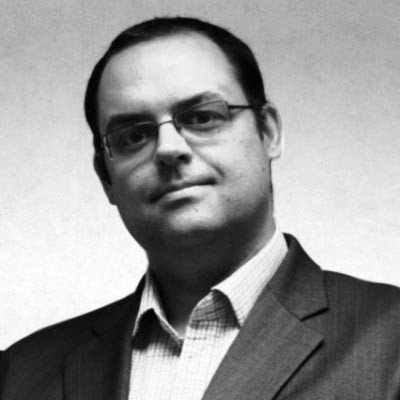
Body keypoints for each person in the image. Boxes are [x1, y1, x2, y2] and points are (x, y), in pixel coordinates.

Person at [1, 16, 399, 400]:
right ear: (106, 177)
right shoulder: (19, 374)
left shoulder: (390, 338)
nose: (169, 149)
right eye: (134, 136)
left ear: (268, 132)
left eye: (202, 117)